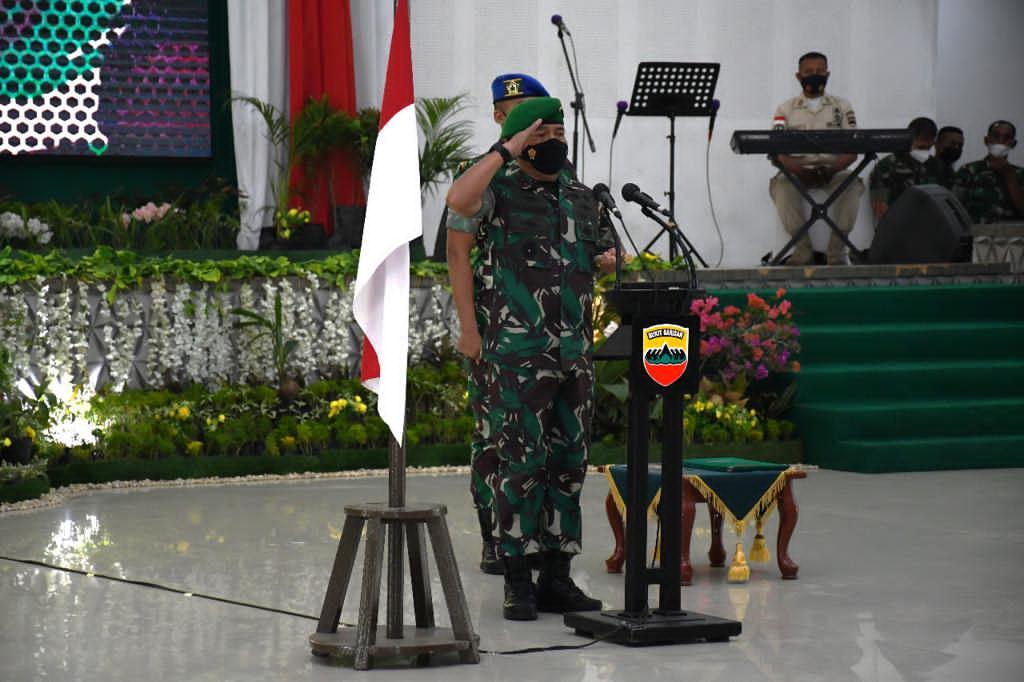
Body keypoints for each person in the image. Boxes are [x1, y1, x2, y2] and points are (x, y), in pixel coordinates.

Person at [446, 97, 616, 621]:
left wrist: (610, 260)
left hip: (574, 354)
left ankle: (557, 577)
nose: (555, 144)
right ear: (520, 142)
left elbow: (602, 254)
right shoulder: (497, 192)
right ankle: (517, 579)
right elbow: (458, 201)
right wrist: (507, 149)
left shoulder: (581, 196)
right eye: (542, 135)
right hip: (515, 352)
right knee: (519, 464)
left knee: (569, 466)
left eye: (560, 134)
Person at [463, 72, 552, 575]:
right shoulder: (482, 175)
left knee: (541, 444)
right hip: (496, 333)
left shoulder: (556, 176)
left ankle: (535, 539)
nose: (532, 123)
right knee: (492, 438)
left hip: (547, 337)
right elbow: (456, 254)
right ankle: (493, 537)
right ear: (499, 117)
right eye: (519, 113)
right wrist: (468, 327)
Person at [769, 51, 863, 265]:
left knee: (851, 185)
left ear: (828, 74)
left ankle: (837, 253)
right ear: (798, 76)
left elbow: (853, 150)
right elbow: (777, 152)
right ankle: (803, 251)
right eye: (808, 71)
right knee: (782, 185)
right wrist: (798, 170)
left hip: (834, 170)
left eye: (820, 71)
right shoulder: (785, 109)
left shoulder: (842, 107)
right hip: (796, 171)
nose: (815, 75)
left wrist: (832, 169)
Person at [869, 117, 939, 220]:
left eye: (928, 147)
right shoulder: (887, 166)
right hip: (898, 225)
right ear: (909, 139)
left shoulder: (937, 166)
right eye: (921, 147)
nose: (924, 152)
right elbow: (880, 210)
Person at [954, 120, 1024, 223]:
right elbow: (954, 209)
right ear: (986, 140)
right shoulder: (968, 171)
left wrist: (1010, 176)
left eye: (1006, 137)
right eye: (996, 136)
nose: (1000, 141)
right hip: (977, 231)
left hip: (1012, 232)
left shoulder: (1020, 174)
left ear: (1013, 144)